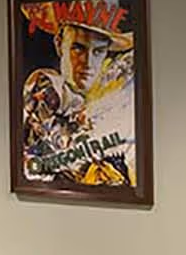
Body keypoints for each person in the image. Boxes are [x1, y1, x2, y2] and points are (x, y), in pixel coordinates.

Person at [20, 18, 135, 186]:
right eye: (78, 49)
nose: (87, 63)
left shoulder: (118, 98)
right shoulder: (48, 87)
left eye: (98, 51)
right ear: (60, 44)